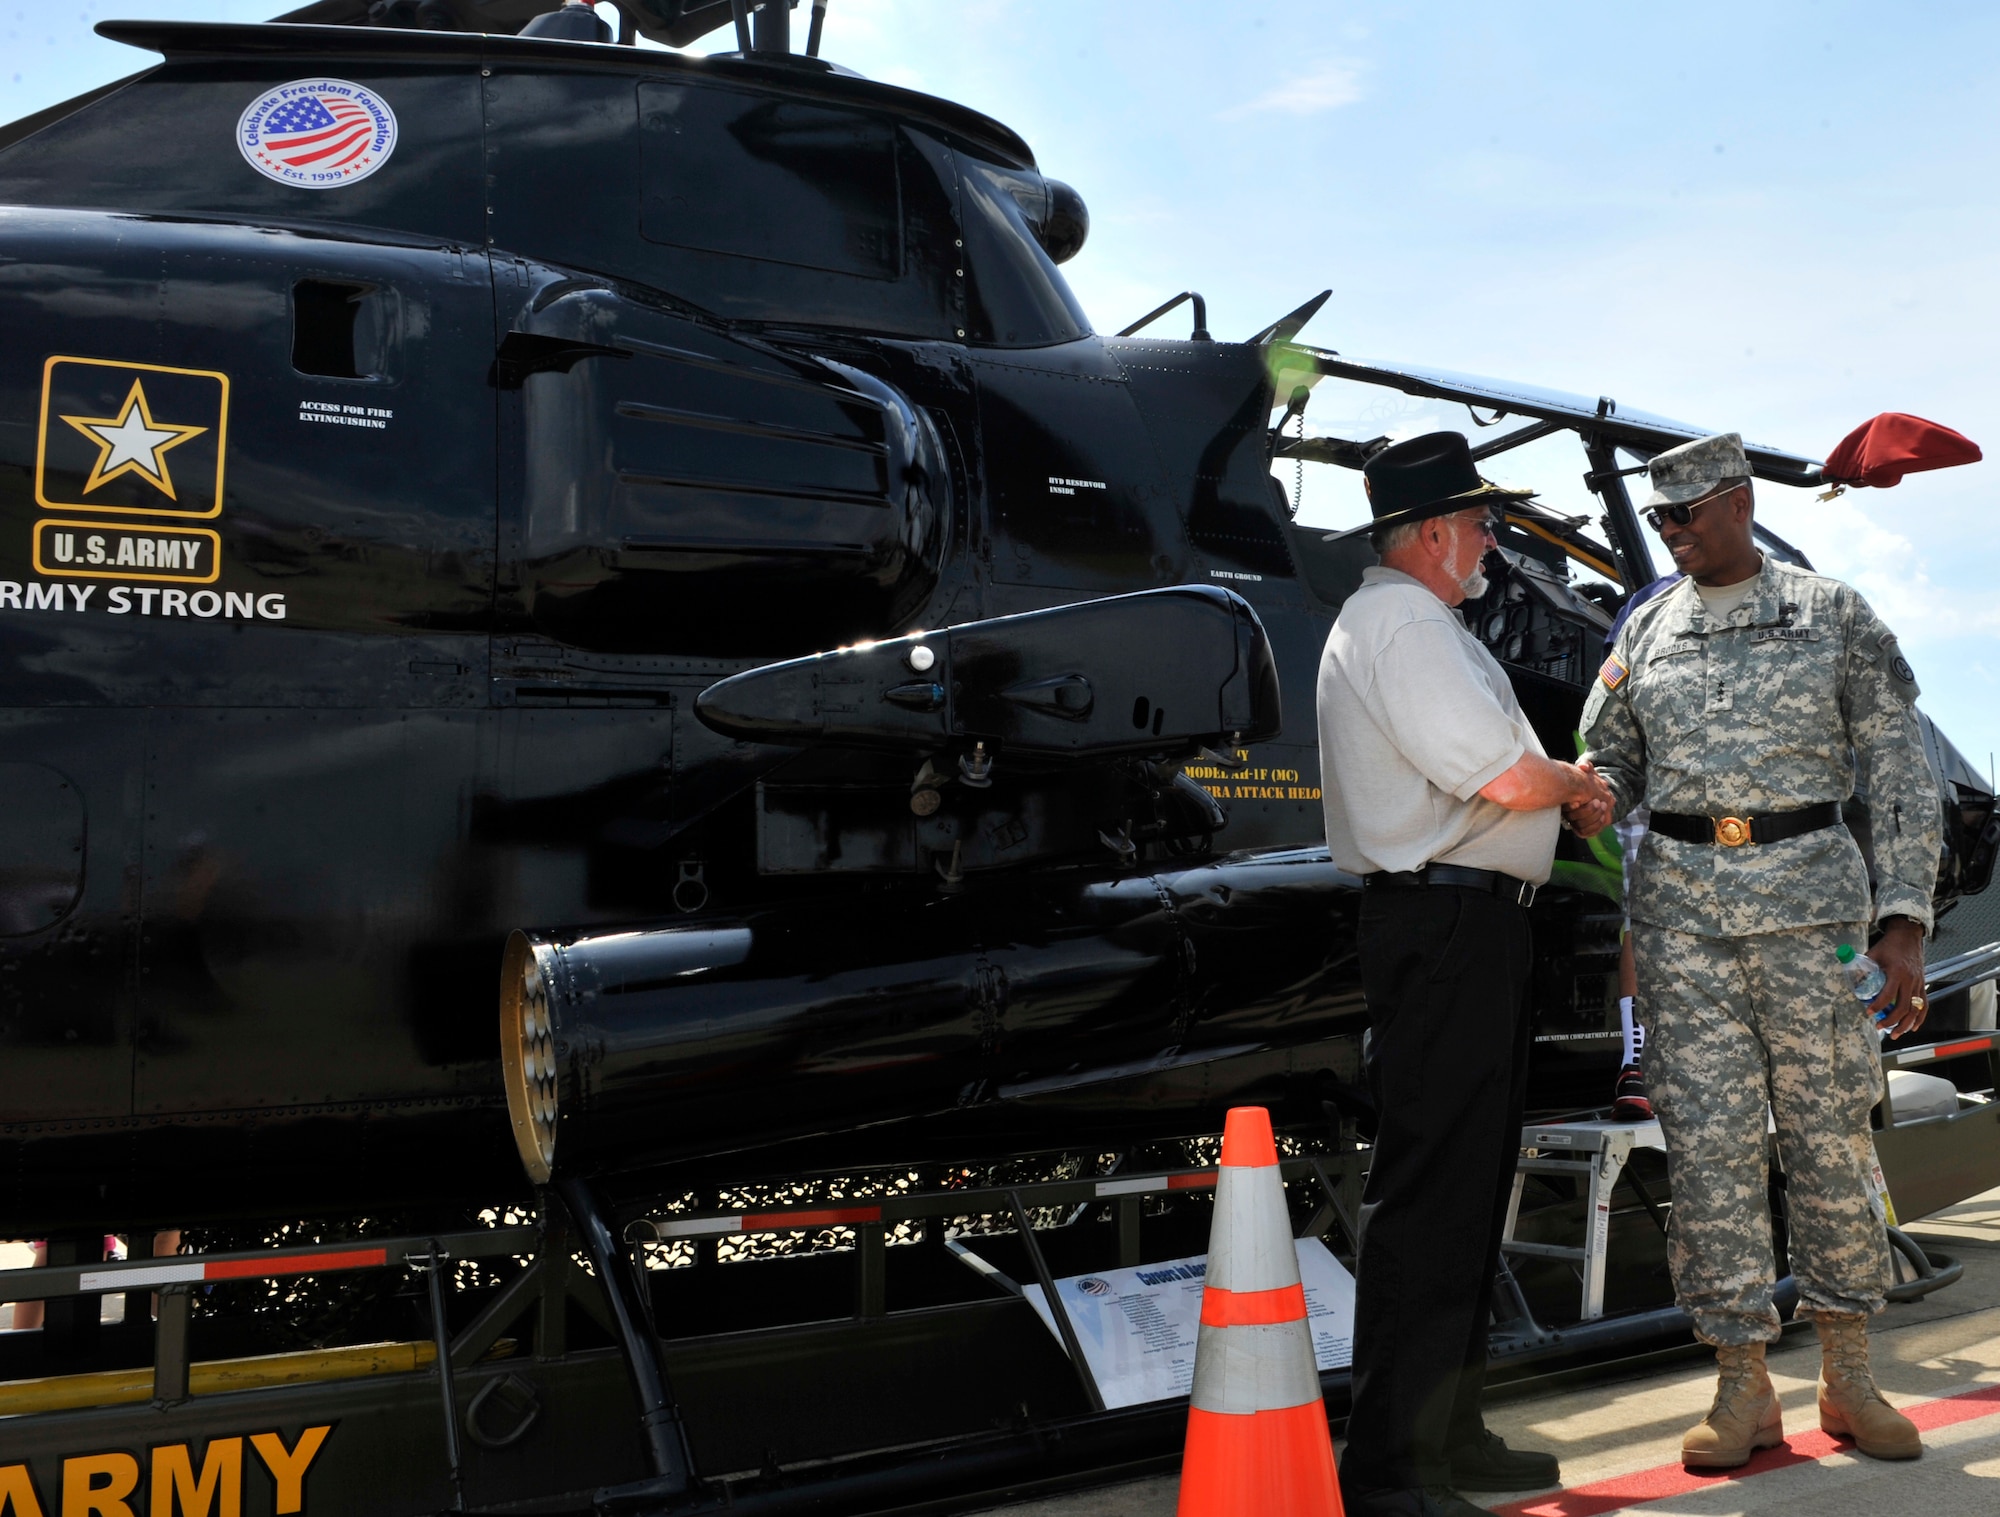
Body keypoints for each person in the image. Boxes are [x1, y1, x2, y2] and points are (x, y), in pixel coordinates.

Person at [1581, 432, 1939, 1468]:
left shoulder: (1830, 614)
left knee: (1830, 1137)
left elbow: (1897, 769)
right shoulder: (1646, 628)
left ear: (1736, 502)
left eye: (1686, 513)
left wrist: (1903, 921)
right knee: (1707, 1154)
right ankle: (1739, 1384)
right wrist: (1583, 792)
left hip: (1815, 925)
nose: (1672, 533)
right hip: (1684, 928)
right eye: (1660, 519)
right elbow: (1604, 756)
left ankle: (1846, 1372)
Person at [1318, 431, 1614, 1517]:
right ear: (1433, 532)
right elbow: (1493, 772)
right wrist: (1575, 786)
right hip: (1442, 919)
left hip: (1467, 922)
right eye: (1481, 522)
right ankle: (1396, 1468)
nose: (1492, 539)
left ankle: (1449, 1433)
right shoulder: (1399, 622)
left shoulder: (1416, 622)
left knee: (1467, 1189)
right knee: (1434, 1195)